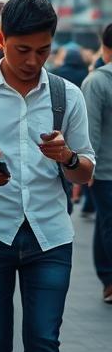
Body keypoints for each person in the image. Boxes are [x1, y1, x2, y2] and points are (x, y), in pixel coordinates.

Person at [0, 0, 95, 352]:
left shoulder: (67, 95)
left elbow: (85, 171)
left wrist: (67, 157)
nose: (32, 61)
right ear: (0, 40)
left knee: (44, 344)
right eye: (22, 49)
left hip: (51, 237)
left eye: (42, 51)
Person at [83, 22, 112, 303]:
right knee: (108, 224)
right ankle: (108, 278)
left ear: (104, 48)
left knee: (107, 224)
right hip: (104, 170)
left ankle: (107, 277)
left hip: (102, 168)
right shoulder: (98, 81)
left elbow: (89, 129)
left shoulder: (96, 82)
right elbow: (89, 132)